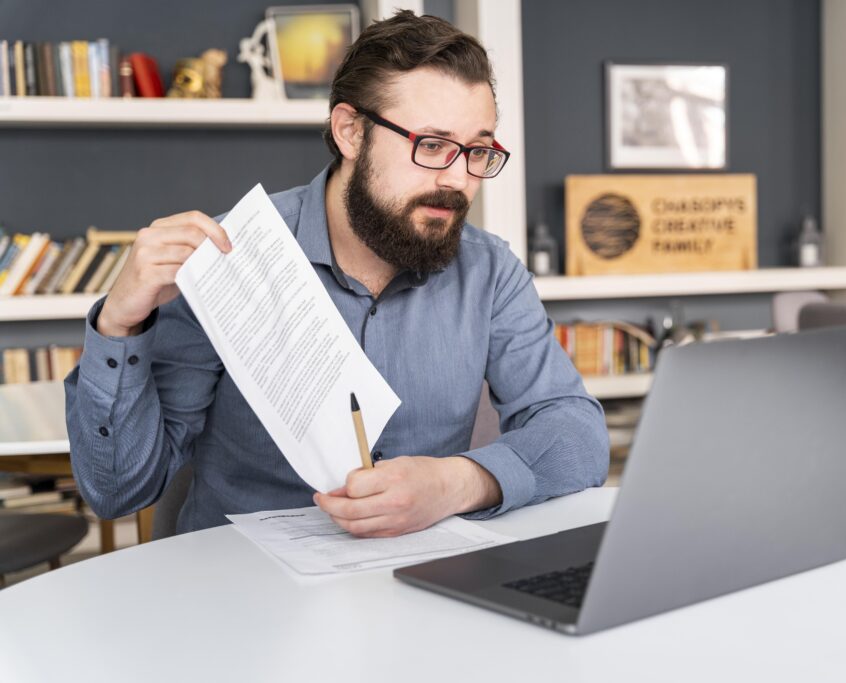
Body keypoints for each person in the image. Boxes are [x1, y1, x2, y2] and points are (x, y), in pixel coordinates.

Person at [65, 11, 609, 538]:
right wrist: (119, 325)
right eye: (434, 145)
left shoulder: (489, 270)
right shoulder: (229, 256)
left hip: (416, 586)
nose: (458, 180)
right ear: (350, 132)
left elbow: (578, 438)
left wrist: (456, 483)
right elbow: (119, 492)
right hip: (243, 595)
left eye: (478, 151)